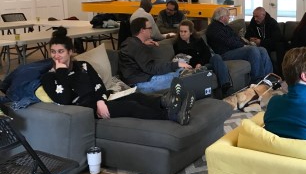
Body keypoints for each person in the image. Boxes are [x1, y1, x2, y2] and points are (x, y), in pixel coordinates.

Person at [41, 27, 195, 125]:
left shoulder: (83, 66)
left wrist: (100, 100)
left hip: (100, 101)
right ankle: (171, 115)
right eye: (53, 52)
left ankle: (167, 101)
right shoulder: (49, 77)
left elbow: (99, 85)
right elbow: (64, 99)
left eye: (60, 51)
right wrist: (61, 73)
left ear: (70, 52)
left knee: (136, 96)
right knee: (131, 106)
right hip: (85, 110)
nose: (57, 56)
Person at [118, 17, 191, 93]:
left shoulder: (130, 42)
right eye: (149, 28)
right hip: (140, 84)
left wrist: (142, 43)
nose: (151, 30)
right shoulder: (137, 47)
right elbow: (152, 68)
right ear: (142, 30)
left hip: (135, 80)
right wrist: (177, 64)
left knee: (179, 72)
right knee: (180, 76)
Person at [206, 7, 273, 84]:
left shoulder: (225, 27)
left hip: (233, 50)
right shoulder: (214, 28)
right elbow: (229, 42)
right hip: (224, 54)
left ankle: (269, 78)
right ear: (222, 17)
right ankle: (257, 80)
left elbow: (236, 38)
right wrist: (243, 46)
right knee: (252, 50)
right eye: (228, 16)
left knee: (262, 49)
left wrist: (246, 43)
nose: (229, 18)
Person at [173, 19, 233, 94]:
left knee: (216, 57)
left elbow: (207, 53)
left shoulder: (198, 40)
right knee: (219, 66)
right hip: (194, 69)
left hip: (204, 64)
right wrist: (196, 66)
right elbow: (181, 61)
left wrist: (200, 63)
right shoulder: (177, 45)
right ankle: (225, 88)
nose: (182, 34)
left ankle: (226, 86)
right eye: (181, 31)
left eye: (185, 31)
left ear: (191, 32)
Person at [244, 7, 286, 75]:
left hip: (271, 44)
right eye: (254, 16)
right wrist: (251, 39)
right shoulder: (253, 22)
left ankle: (275, 74)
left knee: (276, 46)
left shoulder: (272, 23)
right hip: (257, 45)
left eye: (257, 17)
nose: (255, 19)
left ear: (263, 15)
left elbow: (276, 39)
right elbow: (247, 35)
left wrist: (261, 42)